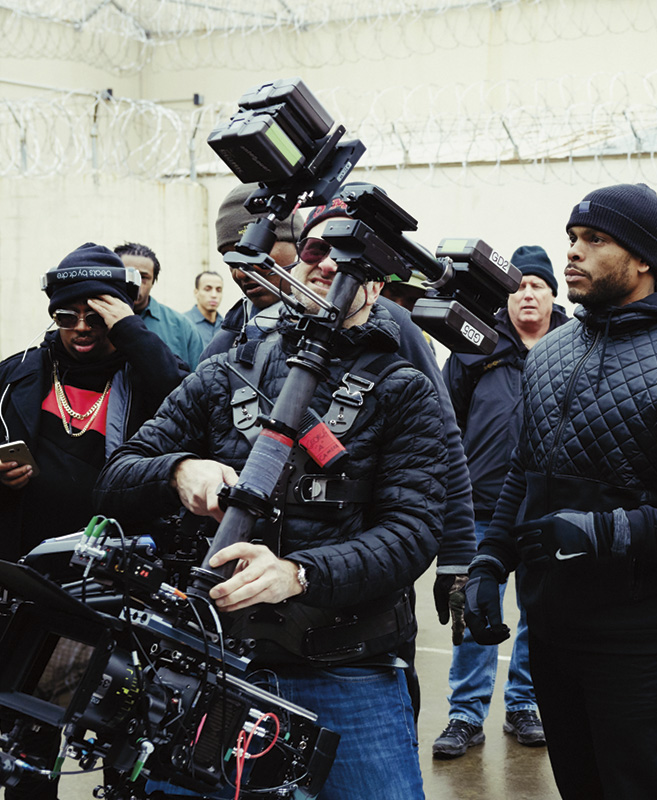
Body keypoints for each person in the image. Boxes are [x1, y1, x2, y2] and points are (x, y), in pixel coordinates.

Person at [94, 202, 449, 800]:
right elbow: (116, 477)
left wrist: (298, 574)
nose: (328, 264)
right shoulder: (221, 374)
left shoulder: (402, 388)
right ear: (292, 258)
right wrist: (178, 470)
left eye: (350, 256)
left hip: (348, 670)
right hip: (214, 666)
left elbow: (412, 532)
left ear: (379, 279)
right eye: (315, 249)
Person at [463, 183, 657, 800]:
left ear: (643, 259)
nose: (573, 253)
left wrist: (610, 532)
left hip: (635, 643)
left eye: (594, 241)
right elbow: (525, 469)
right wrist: (491, 562)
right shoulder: (550, 352)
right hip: (550, 630)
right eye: (572, 238)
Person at [0, 243, 186, 800]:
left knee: (125, 744)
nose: (80, 327)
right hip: (33, 589)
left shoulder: (144, 376)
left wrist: (129, 330)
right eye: (66, 315)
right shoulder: (19, 374)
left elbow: (185, 396)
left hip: (118, 589)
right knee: (30, 744)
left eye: (95, 316)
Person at [432, 245, 570, 758]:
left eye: (537, 285)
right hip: (480, 509)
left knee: (540, 613)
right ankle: (465, 715)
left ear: (554, 295)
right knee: (473, 611)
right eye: (518, 286)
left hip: (547, 508)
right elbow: (447, 425)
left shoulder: (577, 345)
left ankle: (524, 705)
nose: (527, 294)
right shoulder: (476, 345)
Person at [200, 182, 305, 362]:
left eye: (254, 252)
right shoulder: (222, 344)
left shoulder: (347, 331)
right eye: (231, 260)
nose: (241, 273)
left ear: (299, 245)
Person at [113, 242, 203, 367]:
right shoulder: (92, 321)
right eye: (128, 275)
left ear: (153, 281)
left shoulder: (181, 327)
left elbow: (198, 380)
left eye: (143, 277)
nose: (135, 282)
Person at [184, 270, 224, 349]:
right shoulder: (184, 323)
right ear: (196, 292)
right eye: (207, 289)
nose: (214, 295)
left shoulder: (226, 326)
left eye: (218, 290)